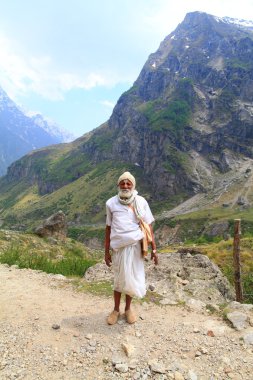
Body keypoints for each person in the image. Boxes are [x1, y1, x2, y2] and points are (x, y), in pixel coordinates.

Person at [104, 171, 158, 325]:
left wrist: (154, 248)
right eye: (123, 183)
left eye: (129, 183)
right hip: (118, 248)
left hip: (135, 246)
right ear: (118, 185)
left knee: (131, 278)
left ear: (133, 185)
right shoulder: (111, 203)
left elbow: (148, 226)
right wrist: (106, 251)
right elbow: (108, 228)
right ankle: (115, 310)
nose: (125, 186)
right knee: (119, 279)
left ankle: (128, 309)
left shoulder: (141, 202)